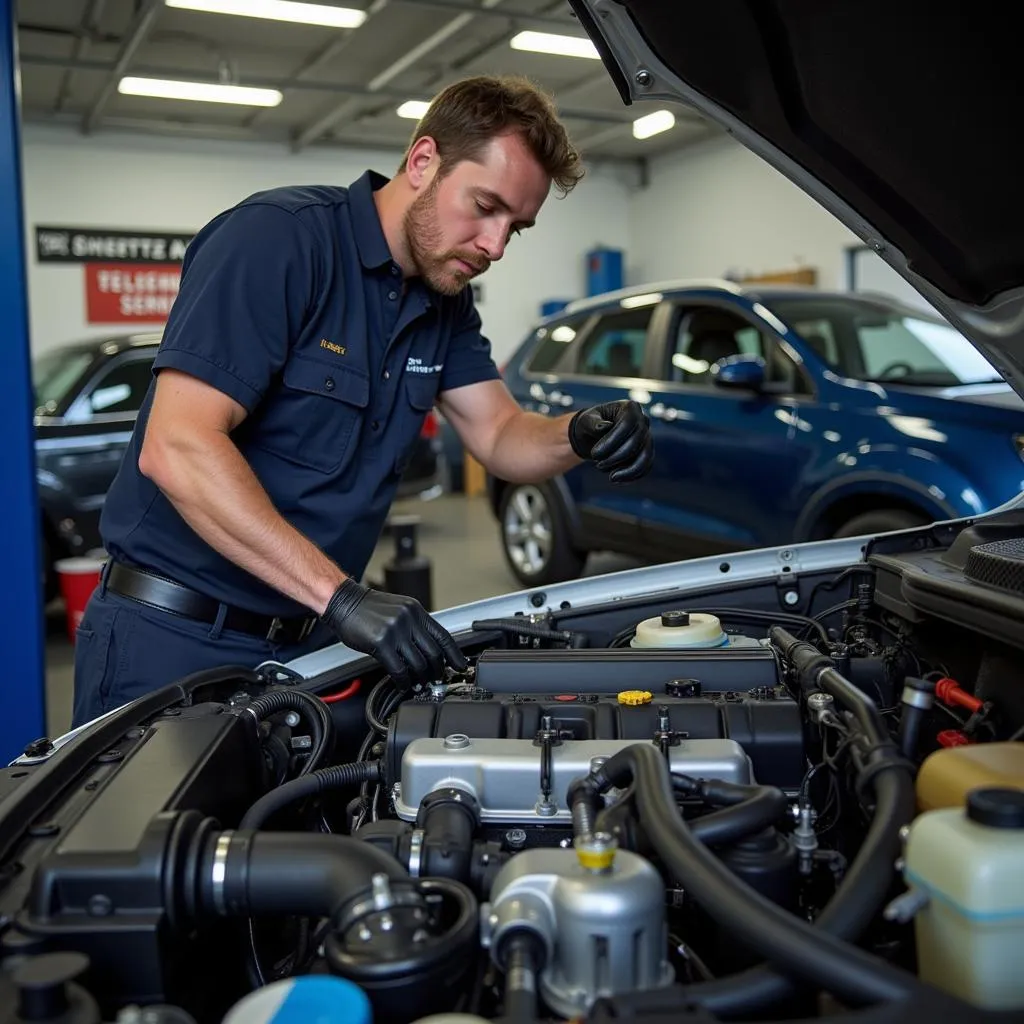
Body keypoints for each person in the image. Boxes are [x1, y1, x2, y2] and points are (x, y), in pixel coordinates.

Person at [70, 74, 654, 728]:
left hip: (306, 648)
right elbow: (178, 445)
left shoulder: (445, 304)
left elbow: (499, 434)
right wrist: (343, 600)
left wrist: (577, 433)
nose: (493, 246)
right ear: (423, 160)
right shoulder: (280, 240)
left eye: (514, 228)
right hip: (170, 640)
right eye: (485, 206)